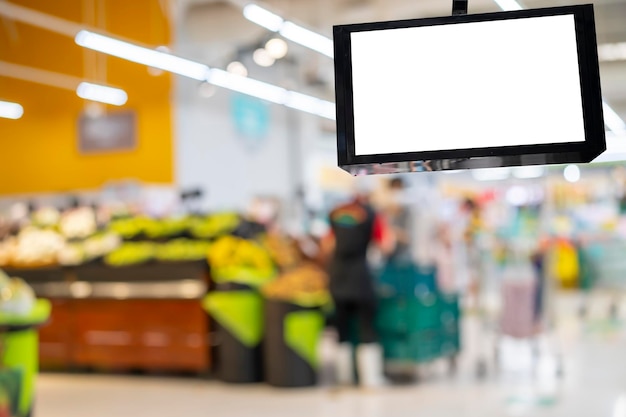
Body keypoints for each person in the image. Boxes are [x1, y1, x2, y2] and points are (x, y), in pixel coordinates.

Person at [321, 180, 393, 388]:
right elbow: (386, 245)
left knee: (342, 328)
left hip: (337, 275)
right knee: (366, 326)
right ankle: (370, 379)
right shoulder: (372, 214)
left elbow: (328, 244)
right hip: (360, 276)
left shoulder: (336, 213)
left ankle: (344, 377)